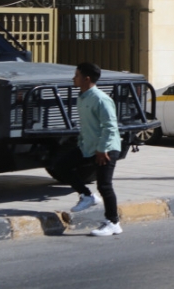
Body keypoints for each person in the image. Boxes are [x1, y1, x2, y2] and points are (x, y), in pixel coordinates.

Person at [52, 62, 123, 237]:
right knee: (60, 166)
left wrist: (102, 149)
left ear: (87, 79)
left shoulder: (101, 99)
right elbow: (86, 125)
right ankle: (87, 196)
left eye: (77, 75)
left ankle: (113, 223)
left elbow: (110, 127)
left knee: (104, 185)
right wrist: (81, 143)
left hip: (106, 149)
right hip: (88, 147)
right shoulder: (82, 97)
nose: (73, 78)